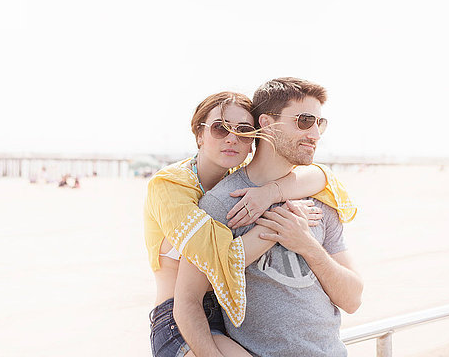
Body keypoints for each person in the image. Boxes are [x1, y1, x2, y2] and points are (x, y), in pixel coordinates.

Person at [144, 91, 356, 357]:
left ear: (254, 141)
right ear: (199, 134)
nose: (233, 138)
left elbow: (323, 176)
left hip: (224, 315)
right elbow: (216, 257)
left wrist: (272, 193)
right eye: (220, 129)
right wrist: (281, 224)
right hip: (176, 318)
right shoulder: (171, 187)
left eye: (244, 131)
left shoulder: (235, 184)